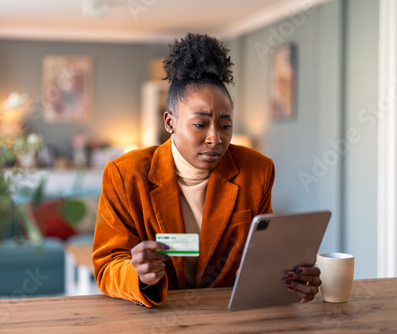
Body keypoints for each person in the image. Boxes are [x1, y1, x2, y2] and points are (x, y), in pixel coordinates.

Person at [92, 33, 321, 307]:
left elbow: (259, 258)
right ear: (170, 122)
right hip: (159, 315)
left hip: (226, 314)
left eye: (225, 125)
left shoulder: (257, 171)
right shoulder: (125, 175)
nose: (216, 138)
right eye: (200, 125)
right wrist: (137, 274)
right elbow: (107, 266)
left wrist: (292, 282)